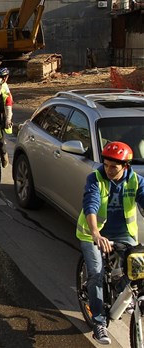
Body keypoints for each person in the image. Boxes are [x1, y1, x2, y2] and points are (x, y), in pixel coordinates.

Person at [76, 141, 144, 345]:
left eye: (113, 166)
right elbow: (91, 204)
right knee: (96, 273)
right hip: (93, 234)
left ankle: (122, 294)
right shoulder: (95, 179)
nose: (108, 169)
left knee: (135, 271)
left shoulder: (136, 181)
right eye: (105, 165)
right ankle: (98, 321)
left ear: (126, 166)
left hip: (124, 234)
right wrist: (96, 233)